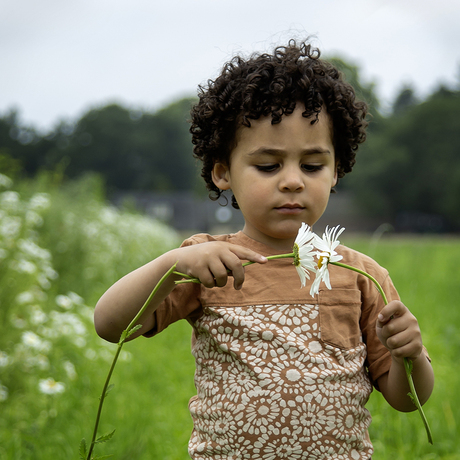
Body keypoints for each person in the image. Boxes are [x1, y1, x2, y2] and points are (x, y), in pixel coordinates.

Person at [94, 40, 434, 459]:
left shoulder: (359, 274)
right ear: (223, 172)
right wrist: (172, 264)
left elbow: (407, 399)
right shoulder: (206, 262)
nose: (292, 181)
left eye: (312, 165)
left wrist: (410, 355)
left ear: (335, 173)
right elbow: (110, 325)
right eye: (268, 165)